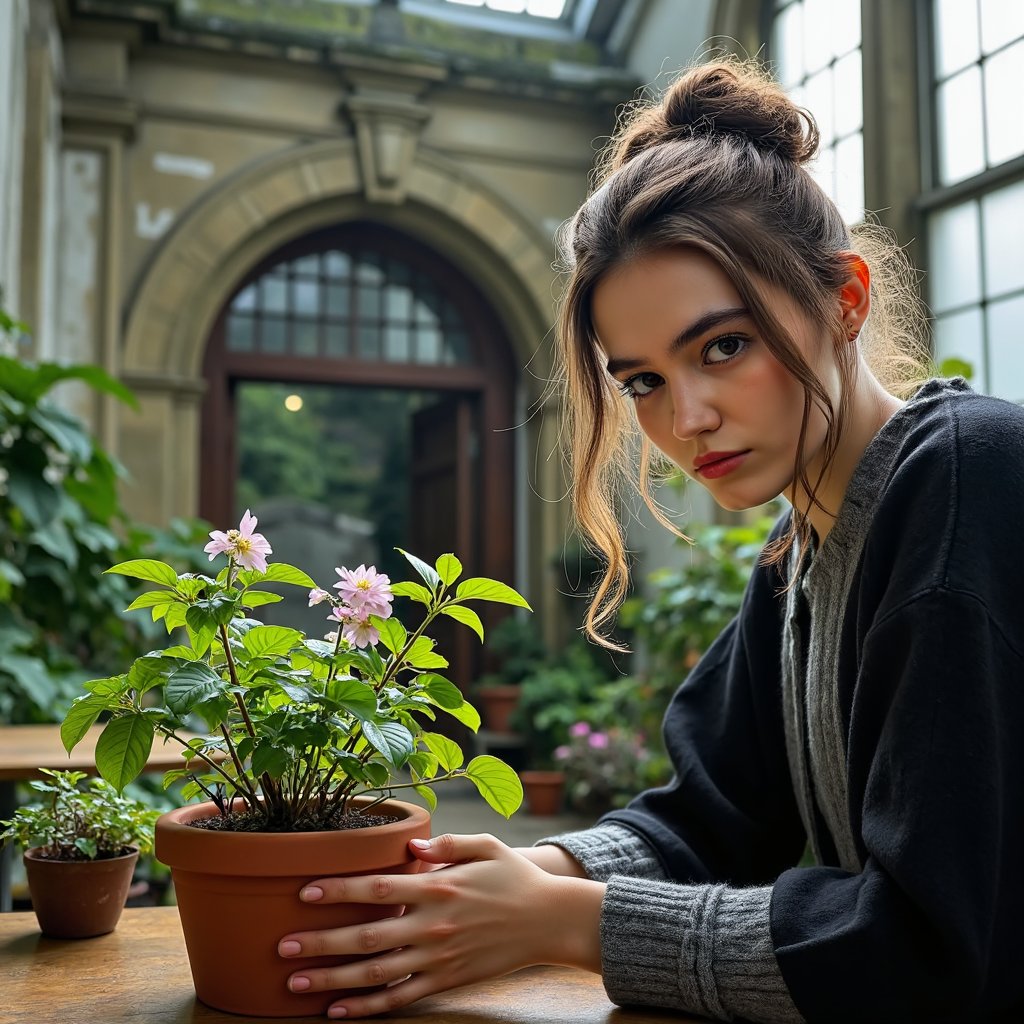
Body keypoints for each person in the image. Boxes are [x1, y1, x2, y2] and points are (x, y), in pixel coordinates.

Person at [275, 58, 1024, 1022]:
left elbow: (928, 949)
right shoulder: (802, 546)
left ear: (845, 300)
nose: (689, 417)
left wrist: (565, 923)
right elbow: (711, 815)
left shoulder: (968, 479)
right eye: (643, 382)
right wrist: (524, 874)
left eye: (723, 347)